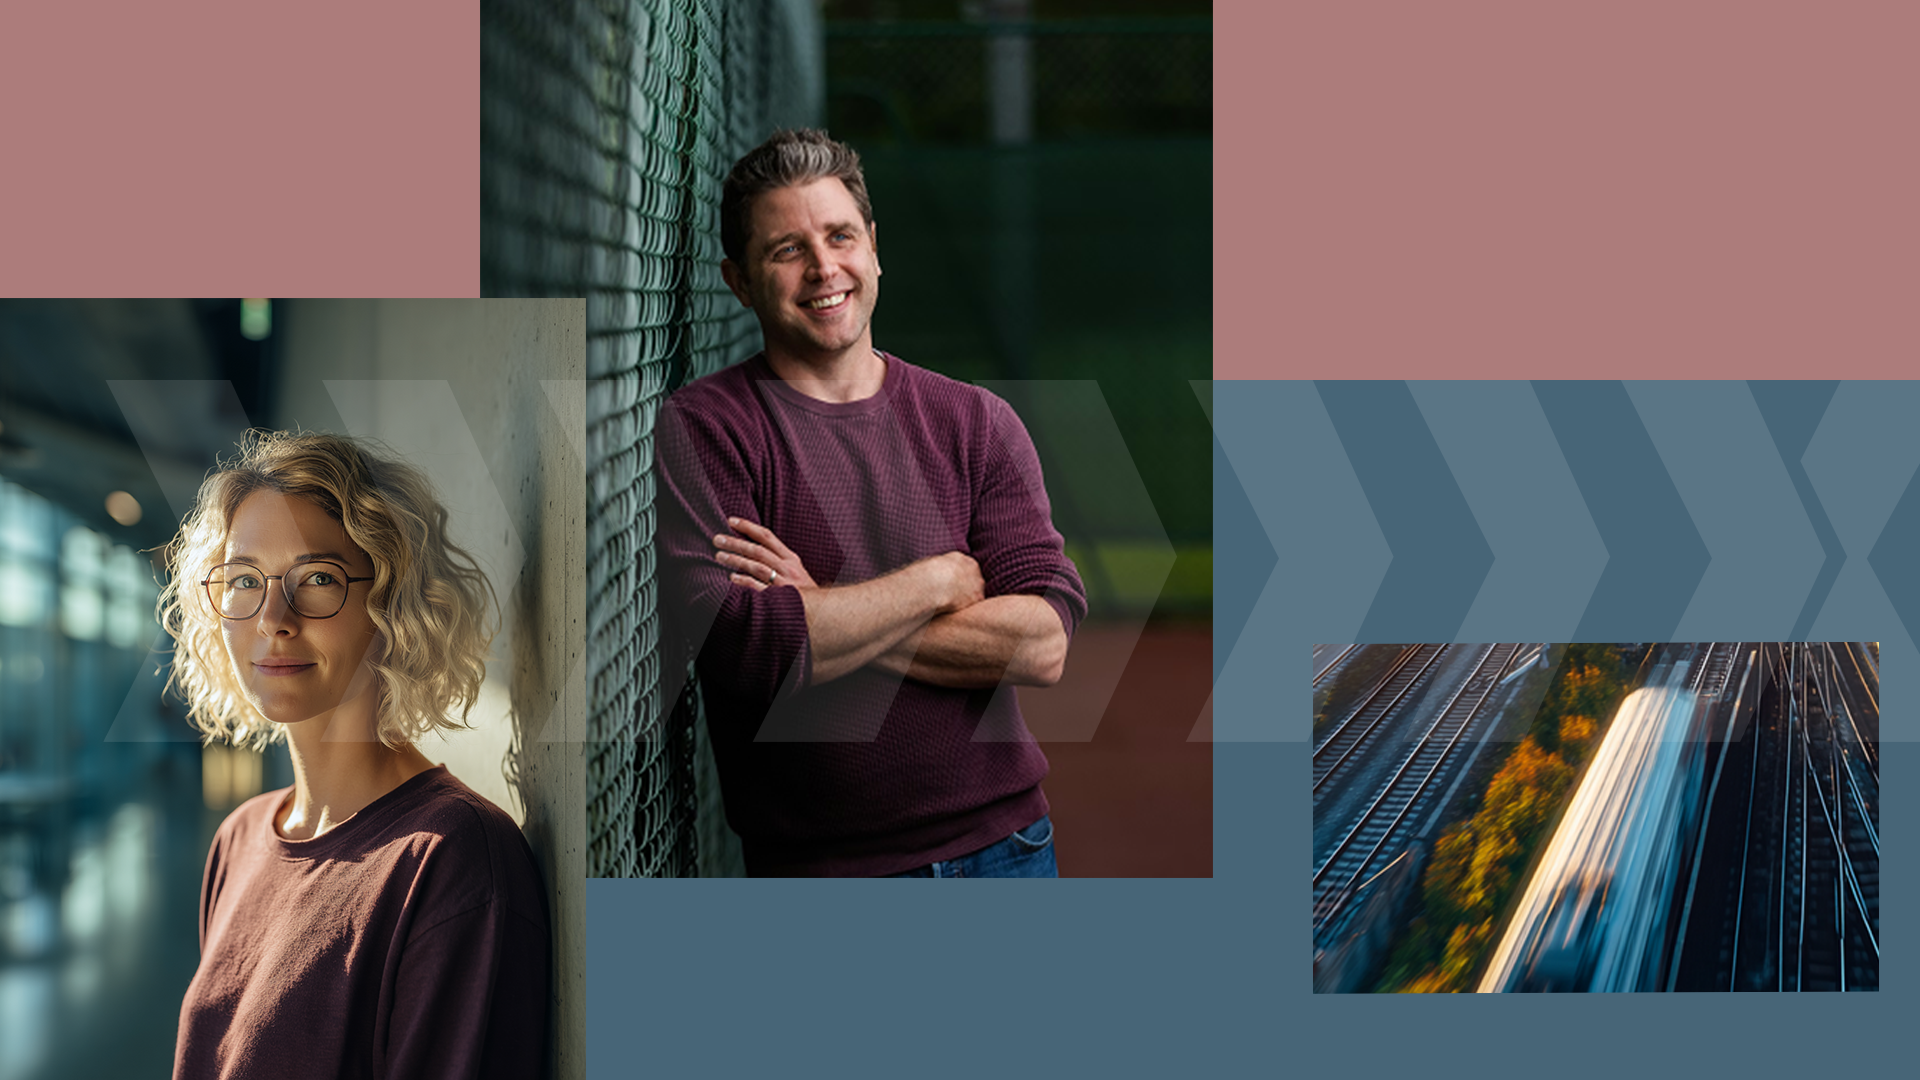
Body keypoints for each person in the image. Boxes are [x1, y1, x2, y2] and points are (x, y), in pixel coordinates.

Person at [655, 128, 1087, 877]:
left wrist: (820, 608)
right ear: (740, 281)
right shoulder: (706, 428)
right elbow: (747, 648)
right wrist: (937, 582)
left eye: (839, 236)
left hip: (1005, 853)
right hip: (822, 875)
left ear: (874, 248)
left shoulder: (973, 421)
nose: (824, 268)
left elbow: (1042, 644)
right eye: (787, 249)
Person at [162, 431, 549, 1078]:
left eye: (318, 578)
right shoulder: (238, 840)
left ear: (392, 602)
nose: (273, 618)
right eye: (244, 579)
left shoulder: (451, 859)